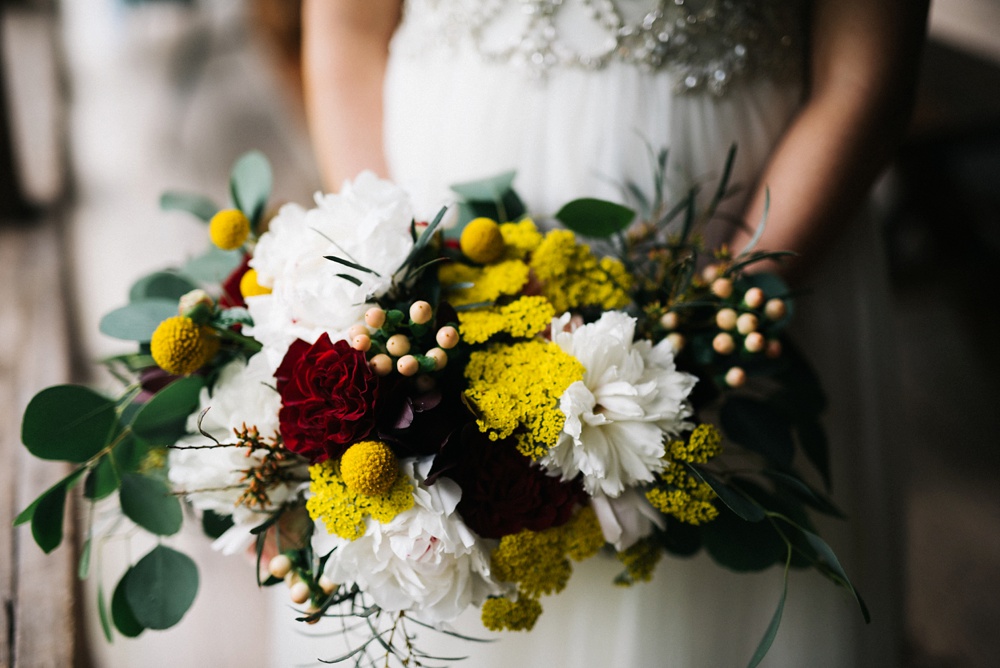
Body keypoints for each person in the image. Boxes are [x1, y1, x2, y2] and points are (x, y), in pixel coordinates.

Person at [277, 1, 929, 666]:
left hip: (748, 235)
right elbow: (347, 29)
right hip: (427, 231)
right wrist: (389, 280)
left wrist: (703, 332)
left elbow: (864, 79)